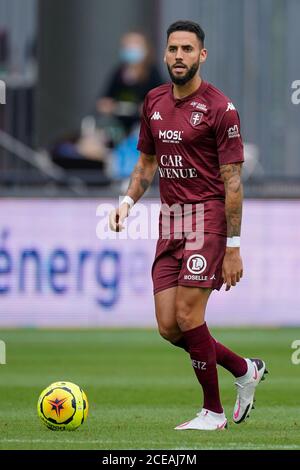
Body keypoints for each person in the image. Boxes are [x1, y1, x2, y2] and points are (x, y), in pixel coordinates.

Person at [109, 20, 268, 431]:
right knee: (168, 325)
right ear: (164, 54)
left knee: (187, 313)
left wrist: (233, 245)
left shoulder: (220, 108)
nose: (179, 56)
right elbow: (146, 164)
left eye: (187, 49)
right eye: (173, 49)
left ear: (202, 55)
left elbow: (232, 180)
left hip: (208, 219)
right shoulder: (154, 101)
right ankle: (244, 369)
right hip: (171, 222)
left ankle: (212, 413)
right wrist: (126, 202)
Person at [97, 31, 162, 134]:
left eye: (135, 44)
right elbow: (104, 101)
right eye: (128, 45)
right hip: (118, 127)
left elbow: (162, 101)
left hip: (143, 128)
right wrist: (108, 106)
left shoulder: (153, 73)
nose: (131, 48)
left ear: (146, 49)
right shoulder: (118, 72)